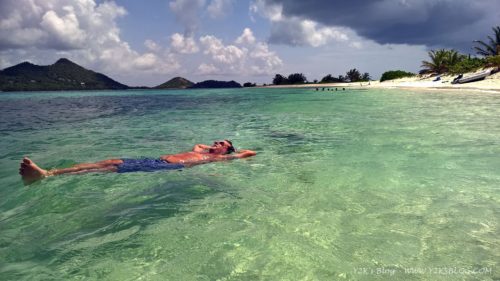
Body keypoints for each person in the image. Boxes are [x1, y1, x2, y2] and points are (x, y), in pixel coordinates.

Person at [19, 140, 256, 184]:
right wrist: (213, 146)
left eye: (220, 142)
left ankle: (46, 176)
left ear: (227, 149)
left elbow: (249, 152)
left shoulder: (219, 159)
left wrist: (226, 151)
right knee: (111, 161)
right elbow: (198, 144)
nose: (214, 143)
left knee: (111, 168)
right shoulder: (201, 151)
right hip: (153, 160)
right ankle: (51, 173)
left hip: (166, 167)